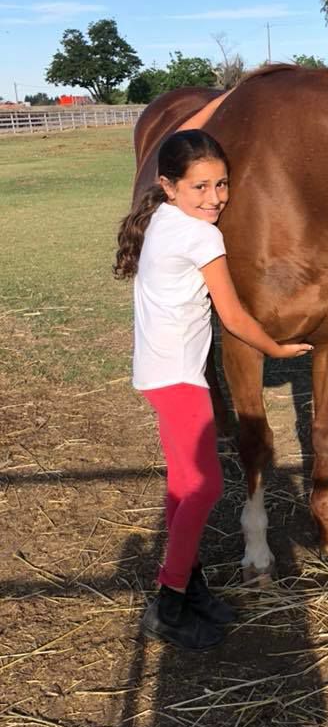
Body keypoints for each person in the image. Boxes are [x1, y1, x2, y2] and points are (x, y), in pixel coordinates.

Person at [114, 129, 311, 651]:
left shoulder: (162, 215)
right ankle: (170, 599)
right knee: (203, 489)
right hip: (179, 376)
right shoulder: (202, 236)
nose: (215, 198)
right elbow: (233, 316)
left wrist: (212, 109)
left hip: (157, 372)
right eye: (200, 187)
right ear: (170, 185)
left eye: (222, 184)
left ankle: (189, 583)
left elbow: (179, 150)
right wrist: (276, 348)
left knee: (184, 485)